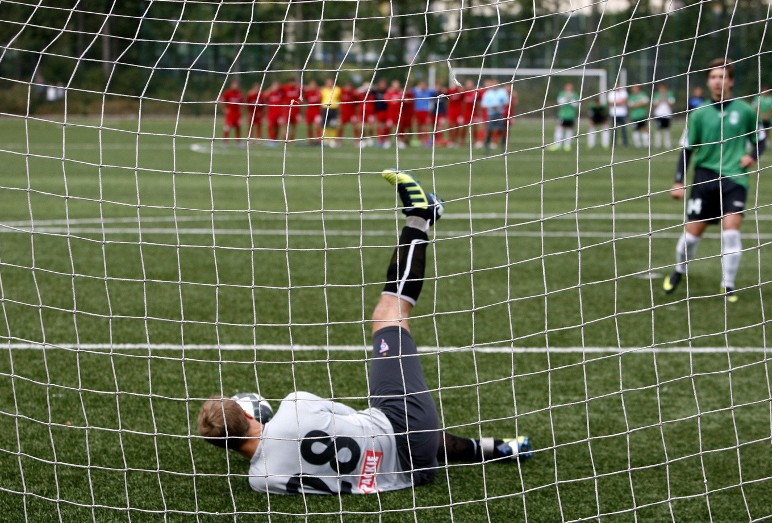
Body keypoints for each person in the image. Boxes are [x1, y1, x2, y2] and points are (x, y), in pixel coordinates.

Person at [197, 171, 532, 495]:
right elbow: (361, 417)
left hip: (414, 473)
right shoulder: (293, 406)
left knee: (393, 432)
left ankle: (500, 447)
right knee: (389, 314)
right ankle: (422, 216)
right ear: (246, 413)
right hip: (404, 430)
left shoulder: (262, 481)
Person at [663, 58, 766, 303]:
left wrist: (751, 156)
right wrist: (679, 181)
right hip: (704, 179)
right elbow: (687, 150)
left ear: (731, 81)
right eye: (713, 77)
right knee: (690, 237)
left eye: (722, 77)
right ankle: (680, 270)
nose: (718, 81)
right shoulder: (698, 114)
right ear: (708, 82)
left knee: (731, 233)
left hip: (735, 180)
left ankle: (727, 285)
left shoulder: (745, 111)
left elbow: (761, 138)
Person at [480, 78, 510, 153]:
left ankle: (503, 148)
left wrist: (499, 106)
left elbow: (506, 102)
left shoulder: (502, 92)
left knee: (502, 130)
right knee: (489, 131)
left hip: (500, 114)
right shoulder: (488, 93)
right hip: (491, 114)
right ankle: (487, 149)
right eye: (493, 84)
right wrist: (492, 107)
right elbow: (484, 105)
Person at [550, 82, 579, 151]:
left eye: (570, 87)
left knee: (569, 130)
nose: (568, 89)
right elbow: (560, 103)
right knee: (559, 129)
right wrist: (567, 98)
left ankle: (567, 145)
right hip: (562, 115)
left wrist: (571, 99)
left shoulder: (575, 94)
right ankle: (557, 144)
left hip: (571, 116)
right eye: (567, 87)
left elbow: (576, 105)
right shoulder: (562, 93)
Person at [652, 83, 676, 149]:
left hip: (667, 115)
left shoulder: (669, 94)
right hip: (659, 115)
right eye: (660, 88)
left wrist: (665, 98)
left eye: (663, 88)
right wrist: (660, 99)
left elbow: (671, 104)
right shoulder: (657, 95)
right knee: (658, 130)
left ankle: (668, 145)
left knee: (667, 130)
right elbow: (655, 105)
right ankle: (657, 145)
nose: (662, 90)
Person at [220, 81, 244, 145]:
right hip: (230, 114)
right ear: (231, 85)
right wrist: (224, 109)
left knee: (238, 127)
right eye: (234, 85)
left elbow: (243, 103)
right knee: (227, 127)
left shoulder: (239, 93)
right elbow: (221, 100)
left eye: (236, 85)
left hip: (237, 114)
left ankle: (238, 142)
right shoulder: (228, 93)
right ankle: (225, 141)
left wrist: (241, 110)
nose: (235, 86)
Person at [320, 78, 342, 148]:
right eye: (327, 82)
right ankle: (325, 139)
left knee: (333, 124)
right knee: (324, 125)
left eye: (330, 82)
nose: (329, 84)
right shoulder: (323, 90)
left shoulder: (337, 90)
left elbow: (340, 98)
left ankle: (332, 139)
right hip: (325, 108)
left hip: (334, 109)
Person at [264, 80, 285, 146]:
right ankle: (271, 140)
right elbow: (264, 94)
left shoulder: (281, 93)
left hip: (279, 114)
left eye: (277, 86)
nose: (276, 87)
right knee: (270, 126)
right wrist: (271, 88)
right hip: (271, 114)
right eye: (274, 86)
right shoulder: (270, 93)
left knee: (277, 127)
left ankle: (275, 140)